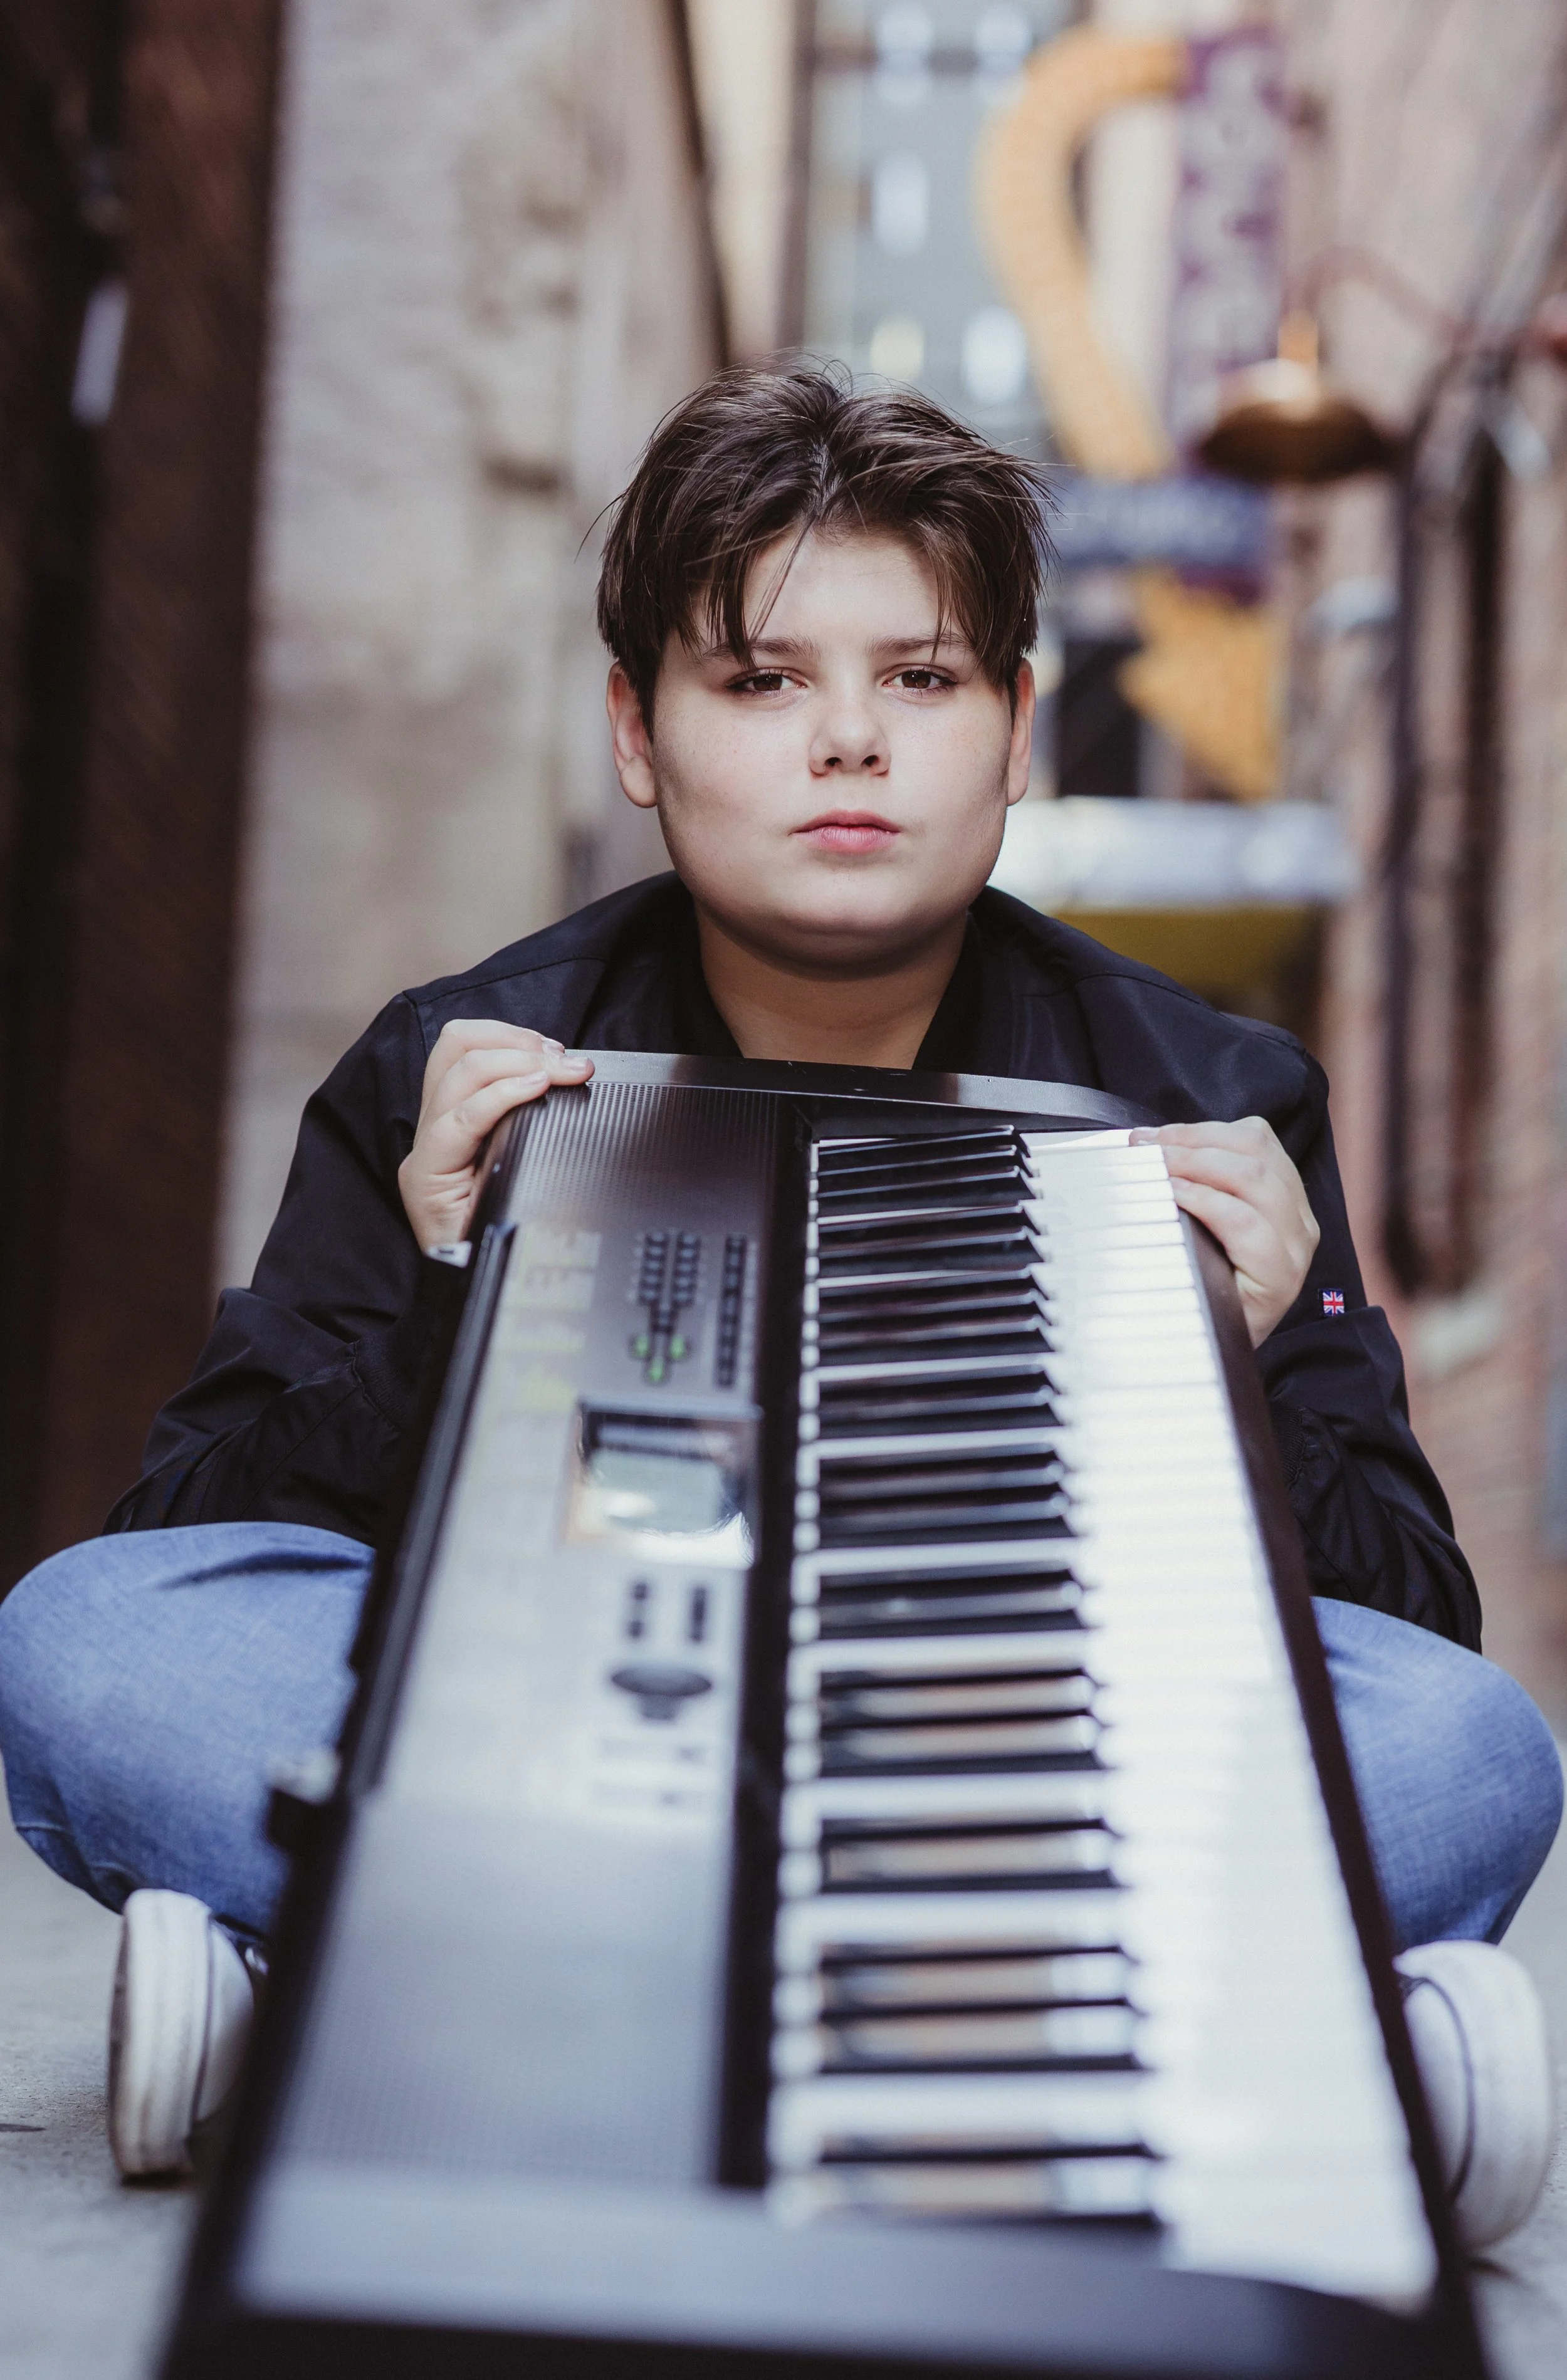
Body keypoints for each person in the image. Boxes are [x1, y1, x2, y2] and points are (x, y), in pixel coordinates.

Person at [0, 366, 1558, 2241]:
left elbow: (1405, 1609)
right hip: (569, 1727)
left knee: (1466, 1747)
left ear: (1012, 734)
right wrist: (448, 1301)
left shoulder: (1203, 1097)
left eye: (920, 679)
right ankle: (1166, 2030)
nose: (848, 741)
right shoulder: (469, 1065)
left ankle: (377, 1981)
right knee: (85, 1644)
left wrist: (1235, 1361)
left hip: (1012, 1742)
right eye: (760, 679)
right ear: (636, 734)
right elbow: (195, 1526)